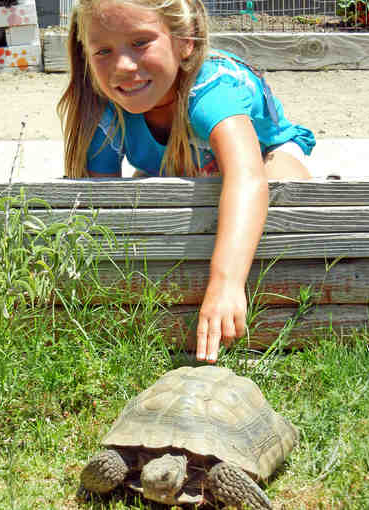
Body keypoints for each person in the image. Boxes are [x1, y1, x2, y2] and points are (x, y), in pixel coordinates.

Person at [57, 0, 315, 364]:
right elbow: (100, 206)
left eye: (141, 42)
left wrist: (225, 282)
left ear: (186, 41)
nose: (123, 67)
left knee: (283, 191)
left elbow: (247, 177)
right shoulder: (104, 108)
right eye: (103, 51)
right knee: (149, 204)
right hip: (171, 167)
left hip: (263, 156)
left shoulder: (211, 91)